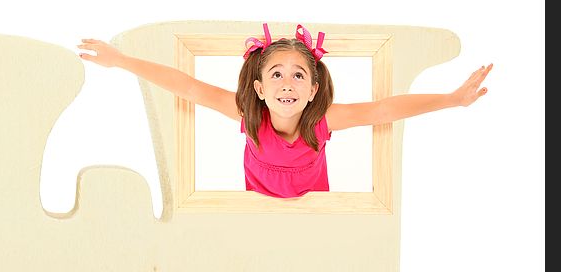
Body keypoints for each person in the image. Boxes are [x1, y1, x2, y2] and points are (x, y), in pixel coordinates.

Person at [78, 23, 492, 198]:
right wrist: (121, 61)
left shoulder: (324, 122)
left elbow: (384, 109)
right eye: (276, 74)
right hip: (261, 221)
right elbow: (187, 86)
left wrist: (451, 99)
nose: (287, 83)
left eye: (298, 76)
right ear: (259, 88)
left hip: (313, 222)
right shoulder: (248, 116)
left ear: (313, 90)